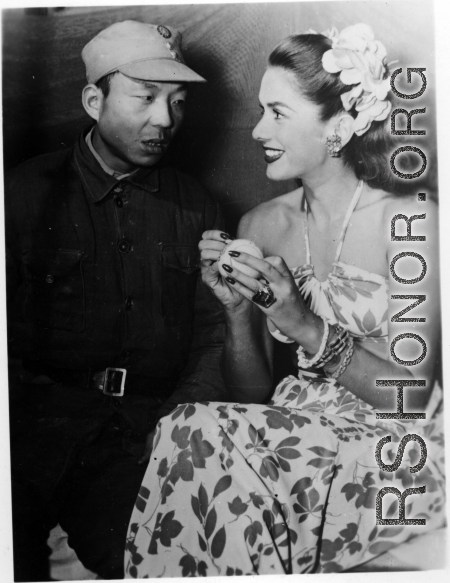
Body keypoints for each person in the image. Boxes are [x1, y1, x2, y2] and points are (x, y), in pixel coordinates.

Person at [125, 24, 445, 576]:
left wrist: (302, 323)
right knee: (189, 424)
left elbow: (411, 398)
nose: (256, 131)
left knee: (197, 429)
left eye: (277, 113)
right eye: (259, 111)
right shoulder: (261, 225)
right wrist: (236, 313)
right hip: (293, 431)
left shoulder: (411, 223)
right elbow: (254, 396)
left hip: (397, 449)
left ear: (339, 127)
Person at [5, 20, 228, 581]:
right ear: (92, 99)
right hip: (28, 437)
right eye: (145, 97)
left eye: (178, 102)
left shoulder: (194, 203)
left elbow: (211, 332)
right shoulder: (22, 194)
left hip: (139, 439)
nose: (165, 120)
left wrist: (181, 420)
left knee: (158, 565)